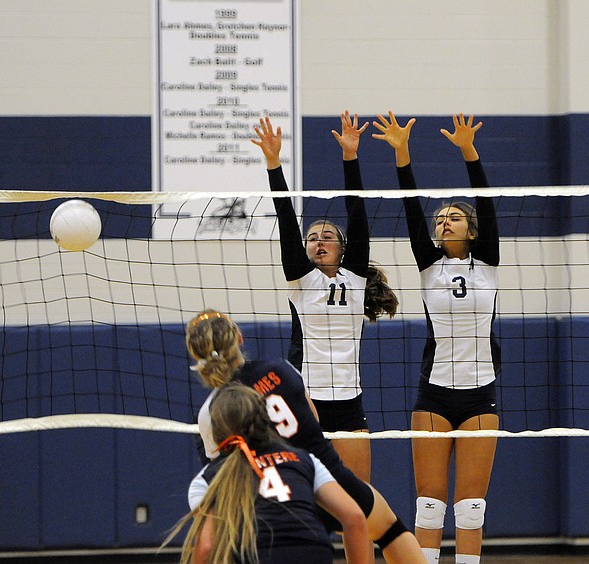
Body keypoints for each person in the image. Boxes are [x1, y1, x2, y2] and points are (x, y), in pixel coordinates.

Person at [185, 309, 425, 564]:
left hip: (273, 502)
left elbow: (221, 473)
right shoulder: (280, 368)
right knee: (389, 530)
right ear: (239, 338)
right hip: (329, 477)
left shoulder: (211, 412)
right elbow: (314, 418)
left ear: (197, 356)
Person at [373, 112, 499, 564]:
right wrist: (402, 154)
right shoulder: (429, 266)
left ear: (472, 230)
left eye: (454, 218)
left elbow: (486, 202)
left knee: (471, 508)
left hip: (480, 394)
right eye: (441, 218)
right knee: (428, 506)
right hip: (434, 396)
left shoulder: (487, 262)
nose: (445, 222)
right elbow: (411, 208)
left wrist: (469, 151)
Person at [251, 111, 399, 484]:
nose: (318, 242)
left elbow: (357, 212)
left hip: (349, 403)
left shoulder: (355, 277)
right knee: (305, 494)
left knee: (360, 498)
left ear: (343, 248)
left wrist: (350, 156)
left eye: (327, 237)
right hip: (306, 401)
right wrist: (274, 165)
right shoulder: (302, 281)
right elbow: (286, 220)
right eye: (312, 238)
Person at [167, 382, 369, 564]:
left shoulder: (210, 477)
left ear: (216, 433)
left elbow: (207, 547)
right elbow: (356, 517)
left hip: (258, 554)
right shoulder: (304, 459)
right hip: (313, 551)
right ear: (265, 420)